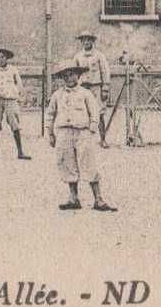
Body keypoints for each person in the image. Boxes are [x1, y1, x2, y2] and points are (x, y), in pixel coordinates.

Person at [45, 65, 116, 213]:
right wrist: (50, 133)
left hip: (82, 132)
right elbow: (50, 114)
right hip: (64, 132)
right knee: (68, 164)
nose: (69, 78)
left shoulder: (85, 94)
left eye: (71, 74)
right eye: (65, 75)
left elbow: (94, 112)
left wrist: (92, 129)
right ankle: (73, 198)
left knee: (88, 163)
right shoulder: (57, 95)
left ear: (78, 75)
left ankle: (98, 199)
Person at [0, 47, 32, 161]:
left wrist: (16, 96)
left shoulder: (13, 70)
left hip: (10, 99)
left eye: (2, 57)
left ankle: (20, 152)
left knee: (14, 123)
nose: (0, 59)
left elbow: (19, 84)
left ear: (6, 58)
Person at [71, 31, 115, 146]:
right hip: (83, 88)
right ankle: (83, 139)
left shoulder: (99, 56)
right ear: (81, 42)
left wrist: (105, 88)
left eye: (88, 40)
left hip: (96, 87)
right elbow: (73, 72)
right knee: (81, 112)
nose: (86, 42)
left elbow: (105, 72)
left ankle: (103, 139)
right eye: (84, 40)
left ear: (92, 41)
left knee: (99, 113)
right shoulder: (78, 56)